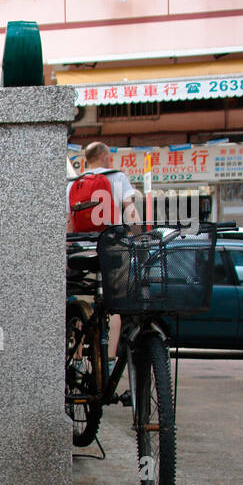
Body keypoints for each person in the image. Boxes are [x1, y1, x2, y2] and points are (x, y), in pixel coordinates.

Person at [70, 142, 143, 361]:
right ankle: (109, 358)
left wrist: (70, 249)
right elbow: (130, 211)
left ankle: (78, 355)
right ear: (104, 155)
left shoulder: (75, 183)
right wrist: (139, 236)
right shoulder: (117, 177)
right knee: (114, 303)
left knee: (83, 302)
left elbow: (68, 223)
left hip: (83, 250)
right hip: (112, 247)